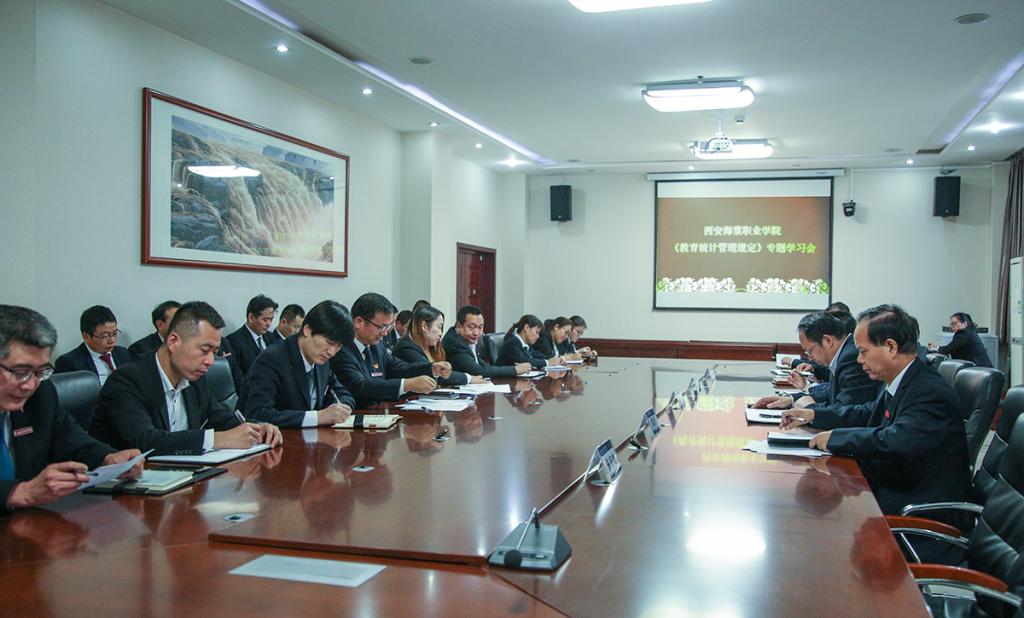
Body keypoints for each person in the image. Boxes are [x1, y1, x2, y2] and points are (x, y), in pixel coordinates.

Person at [779, 304, 971, 526]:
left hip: (918, 510)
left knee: (826, 524)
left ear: (890, 347)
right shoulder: (903, 380)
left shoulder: (928, 391)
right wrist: (814, 414)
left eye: (863, 352)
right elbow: (867, 412)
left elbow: (896, 439)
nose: (859, 360)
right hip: (895, 488)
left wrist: (836, 438)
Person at [0, 305, 143, 514]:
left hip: (26, 522)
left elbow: (73, 441)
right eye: (21, 372)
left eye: (40, 372)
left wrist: (109, 458)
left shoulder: (41, 395)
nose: (29, 385)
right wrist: (17, 492)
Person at [91, 302, 281, 455]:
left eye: (214, 352)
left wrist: (255, 428)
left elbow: (218, 416)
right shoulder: (127, 380)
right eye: (204, 350)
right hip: (122, 487)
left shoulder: (194, 378)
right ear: (173, 341)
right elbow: (146, 441)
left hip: (182, 480)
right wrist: (218, 439)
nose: (210, 361)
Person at [241, 300, 357, 428]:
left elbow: (341, 392)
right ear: (307, 330)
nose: (332, 352)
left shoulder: (320, 359)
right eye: (329, 342)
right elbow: (257, 414)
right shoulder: (272, 359)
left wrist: (341, 408)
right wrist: (318, 417)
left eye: (338, 346)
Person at [329, 293, 450, 408]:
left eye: (388, 327)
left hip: (378, 414)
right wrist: (406, 385)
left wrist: (431, 368)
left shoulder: (377, 346)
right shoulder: (340, 348)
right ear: (358, 322)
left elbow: (399, 368)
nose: (385, 333)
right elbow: (360, 386)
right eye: (381, 327)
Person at [753, 311, 880, 410]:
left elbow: (846, 411)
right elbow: (831, 392)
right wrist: (792, 399)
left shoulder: (850, 358)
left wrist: (810, 408)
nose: (810, 358)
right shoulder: (842, 353)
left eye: (810, 350)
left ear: (827, 340)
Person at [393, 306, 485, 386]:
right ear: (424, 326)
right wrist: (469, 379)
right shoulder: (406, 347)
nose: (441, 333)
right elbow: (435, 373)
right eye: (439, 327)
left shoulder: (429, 346)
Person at [442, 305, 530, 378]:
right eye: (471, 327)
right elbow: (477, 371)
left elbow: (482, 365)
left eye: (480, 327)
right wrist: (515, 370)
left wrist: (513, 369)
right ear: (458, 326)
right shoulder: (454, 343)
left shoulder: (464, 339)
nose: (476, 333)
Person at [54, 305, 132, 385]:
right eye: (105, 336)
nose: (112, 340)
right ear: (86, 336)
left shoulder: (123, 353)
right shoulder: (69, 363)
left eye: (115, 333)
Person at [224, 294, 278, 377]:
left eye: (271, 319)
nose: (269, 324)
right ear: (251, 318)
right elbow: (237, 376)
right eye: (265, 320)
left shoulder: (273, 338)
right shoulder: (233, 341)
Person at [497, 314, 561, 369]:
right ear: (526, 328)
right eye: (536, 332)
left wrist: (555, 359)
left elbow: (537, 355)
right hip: (504, 378)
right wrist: (547, 362)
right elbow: (525, 361)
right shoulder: (512, 342)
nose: (538, 336)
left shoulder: (526, 344)